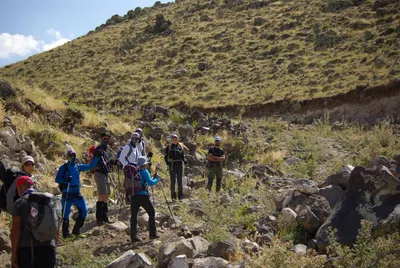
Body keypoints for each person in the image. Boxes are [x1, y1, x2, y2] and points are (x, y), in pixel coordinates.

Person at [11, 176, 56, 268]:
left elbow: (16, 228)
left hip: (27, 250)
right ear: (33, 186)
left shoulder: (20, 202)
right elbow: (56, 223)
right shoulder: (48, 201)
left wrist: (14, 253)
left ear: (19, 188)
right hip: (49, 247)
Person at [55, 149, 99, 239]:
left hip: (76, 193)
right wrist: (65, 180)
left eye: (74, 155)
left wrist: (97, 157)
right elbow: (57, 179)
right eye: (71, 156)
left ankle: (76, 231)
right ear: (67, 157)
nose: (73, 157)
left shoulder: (78, 166)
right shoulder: (64, 167)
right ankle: (66, 235)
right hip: (67, 193)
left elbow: (91, 166)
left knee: (84, 211)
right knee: (65, 214)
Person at [130, 156, 159, 242]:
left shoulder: (133, 172)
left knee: (134, 216)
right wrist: (157, 178)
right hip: (143, 196)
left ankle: (133, 236)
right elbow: (151, 182)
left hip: (133, 195)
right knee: (151, 212)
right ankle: (153, 234)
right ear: (144, 164)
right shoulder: (144, 171)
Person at [93, 131, 112, 225]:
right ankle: (99, 217)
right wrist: (98, 154)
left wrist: (112, 163)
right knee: (102, 194)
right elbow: (95, 157)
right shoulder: (98, 149)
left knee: (107, 194)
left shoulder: (106, 151)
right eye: (105, 138)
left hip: (105, 174)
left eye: (108, 139)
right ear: (101, 139)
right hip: (99, 173)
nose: (106, 140)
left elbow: (107, 162)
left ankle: (105, 216)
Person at [164, 134, 187, 201]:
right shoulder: (169, 147)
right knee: (173, 181)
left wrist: (184, 160)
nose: (174, 139)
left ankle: (180, 197)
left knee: (180, 181)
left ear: (177, 139)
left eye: (175, 138)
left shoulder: (180, 146)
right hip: (172, 165)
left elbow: (182, 155)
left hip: (179, 165)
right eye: (173, 138)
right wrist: (167, 162)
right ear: (171, 139)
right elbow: (166, 156)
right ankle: (173, 197)